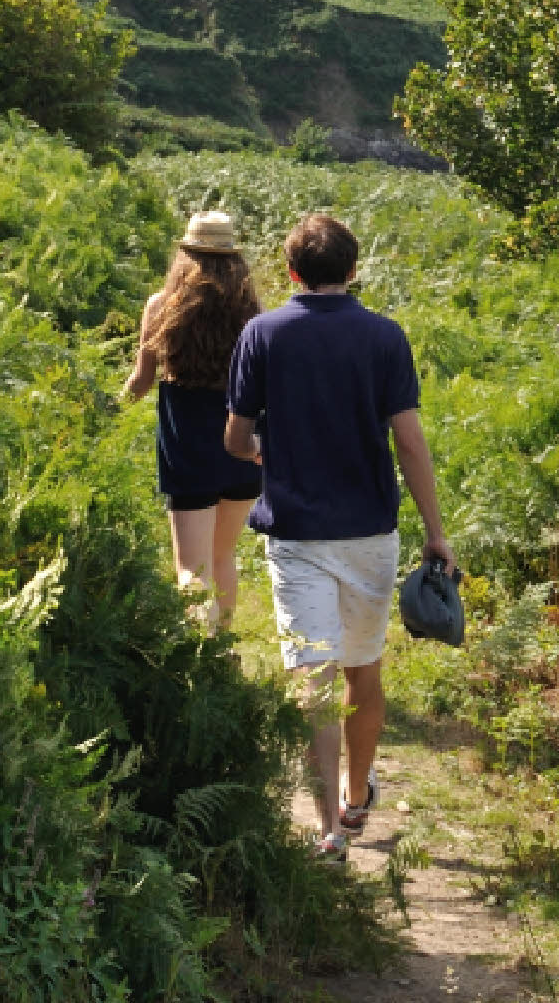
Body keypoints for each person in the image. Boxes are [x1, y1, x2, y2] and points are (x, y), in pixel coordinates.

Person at [223, 212, 455, 859]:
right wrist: (436, 533)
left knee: (313, 679)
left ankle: (327, 828)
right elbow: (408, 441)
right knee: (364, 671)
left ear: (291, 272)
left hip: (295, 533)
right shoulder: (384, 338)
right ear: (354, 272)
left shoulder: (261, 334)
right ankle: (356, 798)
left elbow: (237, 440)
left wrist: (268, 451)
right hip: (368, 534)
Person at [121, 210, 265, 629]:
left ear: (185, 255)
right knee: (223, 559)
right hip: (242, 447)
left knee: (191, 570)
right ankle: (222, 647)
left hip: (187, 451)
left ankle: (200, 658)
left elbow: (140, 382)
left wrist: (106, 415)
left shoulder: (161, 306)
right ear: (235, 260)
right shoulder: (254, 313)